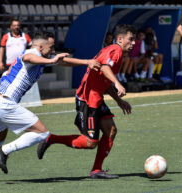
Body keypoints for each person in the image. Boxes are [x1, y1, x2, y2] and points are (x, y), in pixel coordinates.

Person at [0, 31, 101, 182]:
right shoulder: (31, 53)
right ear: (40, 46)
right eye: (51, 47)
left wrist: (87, 62)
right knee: (42, 133)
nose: (53, 51)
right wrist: (52, 61)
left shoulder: (42, 57)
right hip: (5, 103)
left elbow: (63, 62)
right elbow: (28, 57)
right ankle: (4, 151)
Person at [36, 24, 134, 179]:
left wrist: (118, 100)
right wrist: (118, 83)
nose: (133, 43)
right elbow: (105, 69)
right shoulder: (115, 51)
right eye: (131, 39)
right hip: (87, 100)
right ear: (120, 39)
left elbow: (104, 78)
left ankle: (96, 170)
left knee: (111, 130)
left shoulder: (115, 51)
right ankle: (51, 139)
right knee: (90, 142)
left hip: (96, 98)